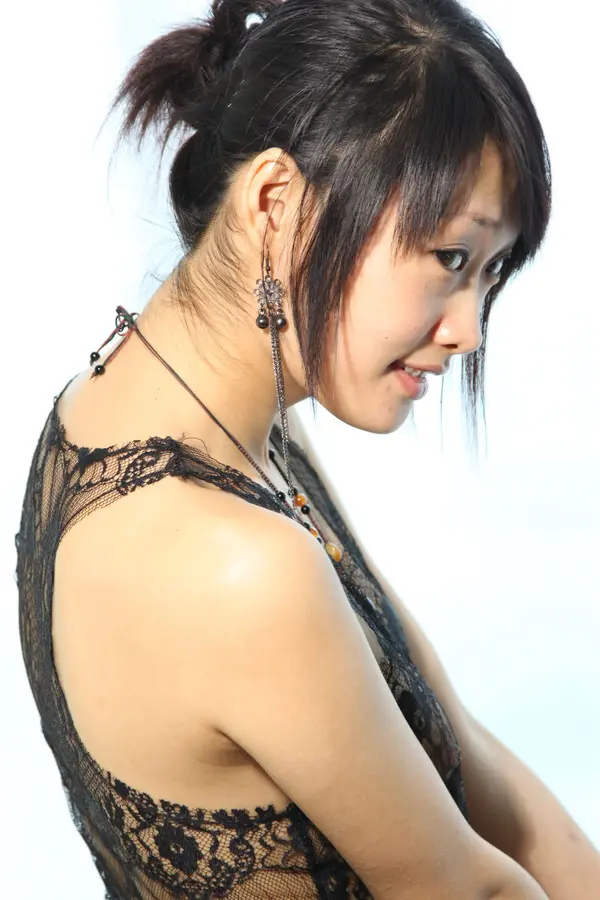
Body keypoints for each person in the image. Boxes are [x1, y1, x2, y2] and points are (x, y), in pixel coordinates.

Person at [14, 0, 600, 898]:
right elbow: (462, 888)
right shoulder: (230, 563)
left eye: (490, 273)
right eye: (452, 258)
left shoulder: (152, 415)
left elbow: (459, 746)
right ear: (276, 203)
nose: (469, 330)